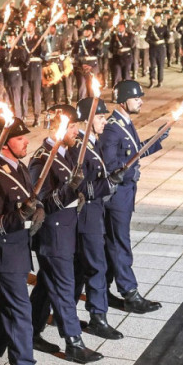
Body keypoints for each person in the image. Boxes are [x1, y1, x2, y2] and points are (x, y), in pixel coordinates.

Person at [0, 117, 55, 365]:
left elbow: (31, 198)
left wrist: (39, 209)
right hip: (3, 254)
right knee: (20, 311)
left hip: (18, 252)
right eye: (20, 138)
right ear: (4, 143)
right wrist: (18, 217)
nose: (26, 142)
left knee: (5, 308)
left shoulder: (20, 168)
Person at [28, 105, 103, 363]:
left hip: (68, 231)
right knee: (63, 286)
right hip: (54, 234)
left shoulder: (67, 152)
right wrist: (69, 192)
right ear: (57, 127)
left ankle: (30, 331)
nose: (77, 131)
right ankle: (73, 342)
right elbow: (40, 204)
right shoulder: (42, 159)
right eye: (72, 127)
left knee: (46, 286)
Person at [98, 80, 167, 313]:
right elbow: (111, 166)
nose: (141, 101)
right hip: (117, 196)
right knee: (119, 243)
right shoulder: (112, 128)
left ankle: (102, 290)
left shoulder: (124, 123)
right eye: (136, 98)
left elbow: (134, 151)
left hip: (126, 194)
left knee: (112, 244)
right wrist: (123, 172)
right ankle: (129, 292)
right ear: (123, 100)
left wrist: (157, 138)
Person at [72, 97, 124, 340]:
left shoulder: (92, 144)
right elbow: (80, 187)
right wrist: (107, 184)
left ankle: (65, 312)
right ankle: (97, 316)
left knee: (82, 269)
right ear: (87, 120)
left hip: (94, 215)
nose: (105, 121)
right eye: (101, 117)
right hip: (86, 217)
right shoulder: (80, 148)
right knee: (97, 267)